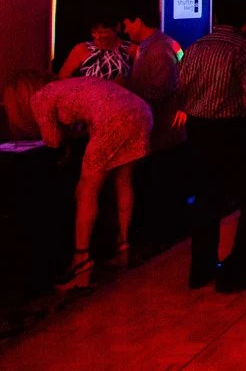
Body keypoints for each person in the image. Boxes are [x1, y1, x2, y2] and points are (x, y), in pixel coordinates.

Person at [9, 74, 152, 289]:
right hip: (141, 111)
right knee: (123, 181)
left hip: (113, 119)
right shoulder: (67, 86)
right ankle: (123, 248)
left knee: (86, 191)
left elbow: (52, 141)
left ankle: (81, 262)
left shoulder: (40, 98)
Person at [176, 0, 246, 293]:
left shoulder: (195, 47)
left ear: (217, 17)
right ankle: (237, 269)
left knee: (207, 198)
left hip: (199, 128)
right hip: (235, 131)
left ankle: (201, 269)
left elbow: (181, 88)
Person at [123, 6, 180, 151]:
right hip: (156, 128)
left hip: (161, 131)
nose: (125, 30)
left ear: (138, 22)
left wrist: (125, 89)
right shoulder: (150, 46)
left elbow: (161, 89)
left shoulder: (159, 48)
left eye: (126, 25)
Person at [58, 13, 132, 81]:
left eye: (103, 32)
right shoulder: (82, 49)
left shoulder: (131, 49)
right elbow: (63, 77)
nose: (97, 37)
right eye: (94, 32)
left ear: (117, 28)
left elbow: (136, 83)